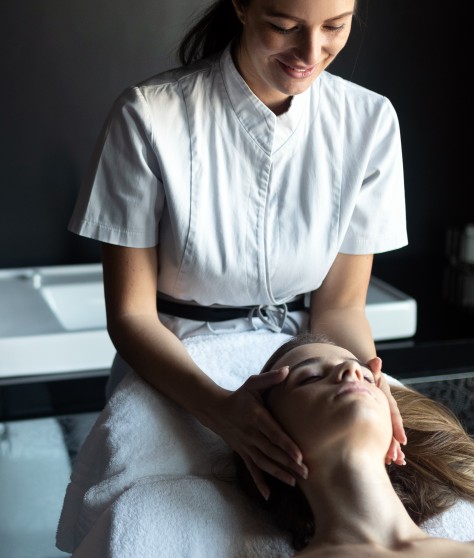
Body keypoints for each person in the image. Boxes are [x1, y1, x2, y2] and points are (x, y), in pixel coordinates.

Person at [67, 0, 409, 499]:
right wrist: (221, 410)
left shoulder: (369, 121)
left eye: (335, 26)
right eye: (284, 26)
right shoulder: (149, 115)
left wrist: (370, 389)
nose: (311, 51)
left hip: (303, 367)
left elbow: (339, 308)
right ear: (242, 7)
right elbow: (131, 316)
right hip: (176, 370)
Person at [232, 333, 474, 557]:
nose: (351, 369)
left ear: (395, 438)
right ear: (265, 438)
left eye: (365, 374)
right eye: (309, 377)